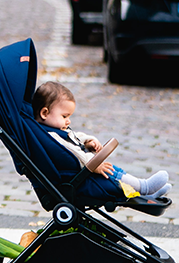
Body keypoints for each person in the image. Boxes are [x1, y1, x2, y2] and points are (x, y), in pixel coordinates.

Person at [33, 82, 171, 199]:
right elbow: (71, 151)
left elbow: (73, 136)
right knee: (112, 174)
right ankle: (144, 187)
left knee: (114, 171)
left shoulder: (55, 129)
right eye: (64, 116)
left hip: (80, 169)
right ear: (45, 113)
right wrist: (92, 163)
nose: (68, 121)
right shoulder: (50, 136)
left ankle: (142, 194)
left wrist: (87, 141)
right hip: (77, 176)